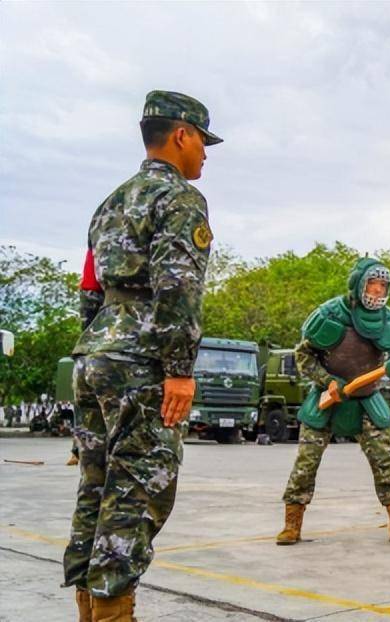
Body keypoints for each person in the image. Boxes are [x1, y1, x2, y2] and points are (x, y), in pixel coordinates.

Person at [63, 90, 221, 621]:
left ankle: (89, 610)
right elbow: (178, 287)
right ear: (181, 135)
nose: (204, 154)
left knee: (96, 486)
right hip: (142, 361)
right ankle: (112, 613)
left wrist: (94, 352)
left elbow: (90, 288)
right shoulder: (178, 200)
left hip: (96, 354)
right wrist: (179, 370)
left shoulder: (111, 201)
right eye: (202, 141)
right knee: (137, 491)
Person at [277, 257, 390, 547]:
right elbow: (303, 356)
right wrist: (326, 380)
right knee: (306, 462)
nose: (377, 291)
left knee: (384, 461)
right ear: (358, 284)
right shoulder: (330, 314)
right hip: (328, 398)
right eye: (373, 285)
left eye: (383, 287)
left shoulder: (389, 320)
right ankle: (292, 522)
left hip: (368, 399)